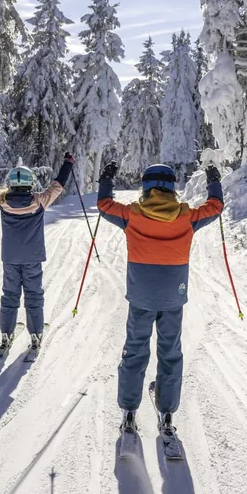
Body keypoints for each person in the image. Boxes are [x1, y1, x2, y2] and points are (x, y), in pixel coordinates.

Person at [96, 161, 224, 435]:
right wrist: (214, 181)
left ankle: (129, 411)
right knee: (170, 353)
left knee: (135, 350)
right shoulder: (187, 216)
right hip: (172, 298)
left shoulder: (132, 215)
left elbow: (104, 205)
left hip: (141, 297)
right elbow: (215, 207)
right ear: (172, 188)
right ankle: (166, 413)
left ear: (145, 187)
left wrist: (106, 178)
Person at [0, 153, 75, 354]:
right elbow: (58, 186)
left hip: (11, 258)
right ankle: (36, 334)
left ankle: (6, 333)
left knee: (10, 295)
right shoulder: (39, 201)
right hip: (33, 257)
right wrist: (67, 164)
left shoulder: (2, 201)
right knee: (33, 295)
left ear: (10, 183)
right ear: (30, 183)